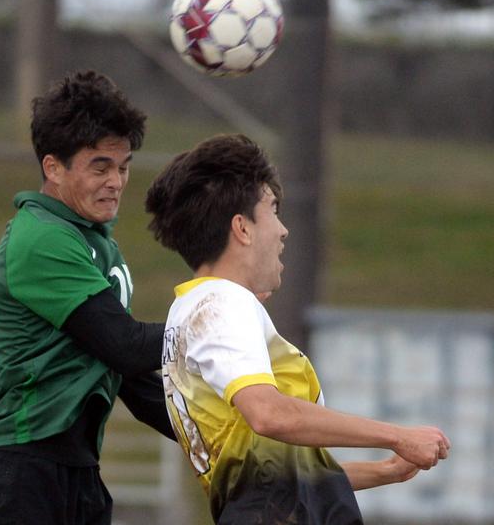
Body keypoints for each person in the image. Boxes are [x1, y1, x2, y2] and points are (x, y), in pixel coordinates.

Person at [144, 134, 451, 525]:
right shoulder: (221, 305)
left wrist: (384, 471)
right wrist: (396, 434)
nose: (284, 230)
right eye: (272, 210)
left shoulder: (191, 311)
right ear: (242, 228)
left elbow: (272, 476)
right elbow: (270, 415)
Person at [0, 70, 174, 525]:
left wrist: (230, 438)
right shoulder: (42, 237)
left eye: (123, 166)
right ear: (53, 168)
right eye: (100, 166)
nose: (116, 181)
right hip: (21, 474)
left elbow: (130, 373)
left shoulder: (96, 244)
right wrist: (216, 320)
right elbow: (127, 345)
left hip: (78, 477)